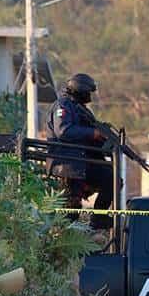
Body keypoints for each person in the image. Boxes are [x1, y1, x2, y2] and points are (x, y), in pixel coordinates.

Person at [46, 73, 112, 230]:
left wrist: (105, 139)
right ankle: (62, 237)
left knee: (111, 179)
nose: (89, 96)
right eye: (87, 92)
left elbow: (90, 136)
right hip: (67, 165)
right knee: (71, 208)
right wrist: (92, 133)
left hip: (82, 162)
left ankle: (99, 218)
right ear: (79, 90)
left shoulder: (81, 109)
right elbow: (63, 131)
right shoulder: (63, 105)